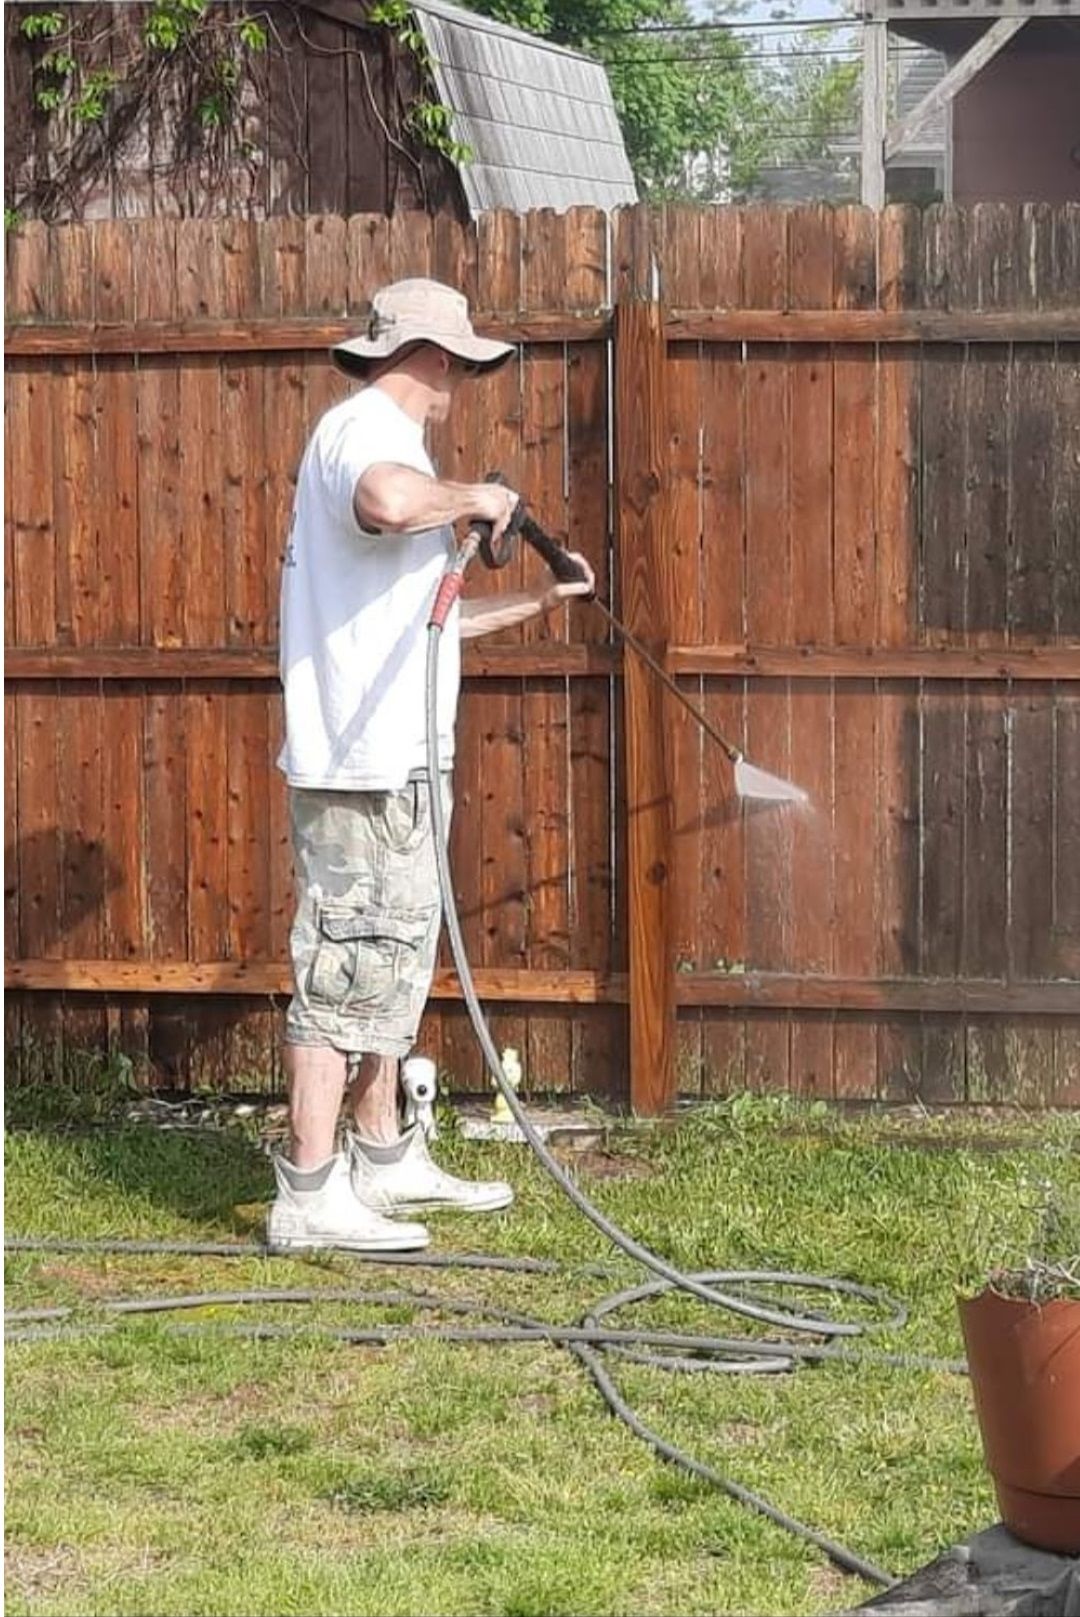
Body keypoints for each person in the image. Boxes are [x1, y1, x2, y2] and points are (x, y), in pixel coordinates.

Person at [268, 278, 595, 1253]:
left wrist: (540, 603)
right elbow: (387, 503)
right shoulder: (367, 434)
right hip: (364, 769)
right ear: (439, 361)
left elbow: (429, 623)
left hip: (397, 765)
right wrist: (479, 497)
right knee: (342, 970)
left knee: (391, 967)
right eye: (460, 366)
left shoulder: (387, 441)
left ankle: (381, 1155)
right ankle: (309, 1192)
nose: (461, 384)